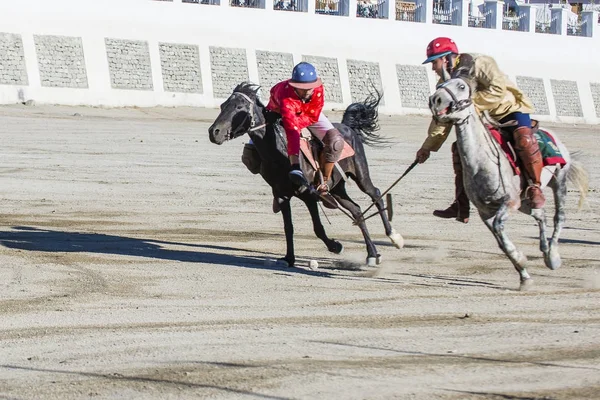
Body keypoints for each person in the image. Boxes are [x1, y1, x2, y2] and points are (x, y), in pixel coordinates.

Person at [415, 37, 545, 223]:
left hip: (508, 109)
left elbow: (498, 90)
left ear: (446, 59)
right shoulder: (445, 86)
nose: (433, 68)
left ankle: (534, 186)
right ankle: (461, 204)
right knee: (460, 149)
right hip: (483, 119)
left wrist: (468, 105)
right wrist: (427, 147)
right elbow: (442, 121)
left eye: (434, 62)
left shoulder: (481, 63)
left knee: (524, 138)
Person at [265, 62, 345, 193]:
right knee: (257, 145)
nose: (308, 90)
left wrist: (299, 124)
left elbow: (313, 115)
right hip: (278, 113)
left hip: (308, 113)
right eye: (303, 88)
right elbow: (292, 132)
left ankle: (324, 181)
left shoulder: (318, 89)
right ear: (295, 86)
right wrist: (295, 165)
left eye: (310, 87)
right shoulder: (286, 98)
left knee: (336, 140)